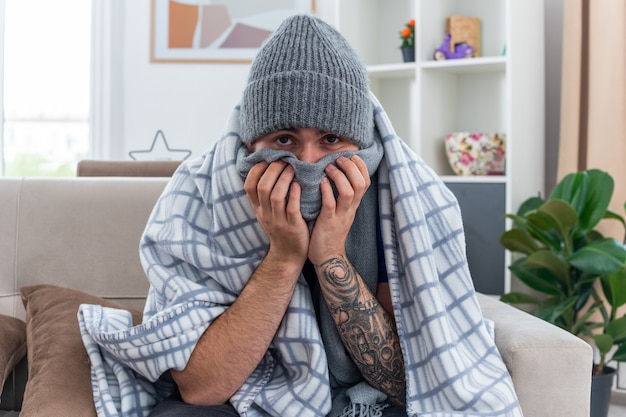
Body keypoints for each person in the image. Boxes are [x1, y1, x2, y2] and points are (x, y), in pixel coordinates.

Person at [78, 14, 523, 417]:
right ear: (251, 144)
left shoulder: (398, 203)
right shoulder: (200, 195)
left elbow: (404, 383)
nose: (309, 162)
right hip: (244, 396)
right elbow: (201, 388)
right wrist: (285, 257)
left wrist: (330, 254)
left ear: (361, 145)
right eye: (285, 140)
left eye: (331, 140)